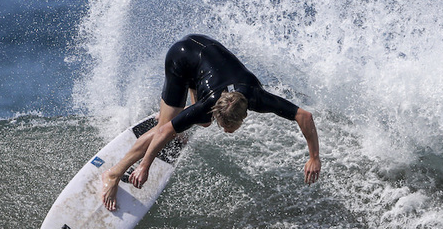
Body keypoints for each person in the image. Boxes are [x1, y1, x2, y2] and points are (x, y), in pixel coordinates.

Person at [100, 34, 321, 211]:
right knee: (167, 128)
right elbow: (164, 132)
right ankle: (113, 173)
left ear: (244, 114)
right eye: (225, 127)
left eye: (229, 127)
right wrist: (144, 165)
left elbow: (305, 116)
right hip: (182, 57)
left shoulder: (257, 97)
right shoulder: (210, 104)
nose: (227, 132)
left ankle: (182, 114)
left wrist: (314, 157)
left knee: (203, 122)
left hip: (206, 58)